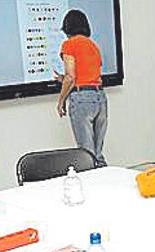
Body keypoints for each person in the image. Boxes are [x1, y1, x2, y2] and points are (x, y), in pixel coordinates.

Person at [56, 9, 108, 168]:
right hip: (100, 98)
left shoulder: (69, 44)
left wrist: (61, 101)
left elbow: (70, 77)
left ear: (67, 27)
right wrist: (63, 80)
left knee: (86, 155)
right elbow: (89, 73)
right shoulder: (93, 46)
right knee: (97, 154)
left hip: (82, 99)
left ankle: (91, 188)